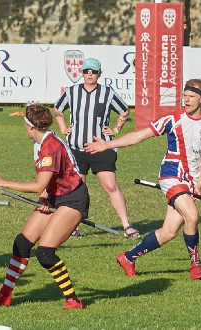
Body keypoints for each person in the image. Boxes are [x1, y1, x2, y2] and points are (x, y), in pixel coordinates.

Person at [85, 79, 201, 280]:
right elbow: (138, 136)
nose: (186, 100)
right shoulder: (173, 119)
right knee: (192, 216)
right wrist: (107, 145)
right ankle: (196, 266)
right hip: (171, 175)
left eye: (191, 97)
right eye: (184, 96)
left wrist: (198, 185)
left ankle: (128, 257)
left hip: (190, 181)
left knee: (169, 232)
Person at [0, 104, 88, 310]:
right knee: (21, 244)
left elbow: (39, 183)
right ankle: (4, 295)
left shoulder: (50, 147)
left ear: (30, 126)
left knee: (45, 253)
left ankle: (73, 300)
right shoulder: (40, 142)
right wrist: (44, 198)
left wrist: (5, 183)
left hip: (73, 199)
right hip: (56, 196)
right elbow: (47, 183)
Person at [54, 58, 137, 239]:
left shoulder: (107, 93)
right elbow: (58, 109)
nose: (89, 74)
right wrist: (63, 128)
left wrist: (115, 129)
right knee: (78, 188)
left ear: (99, 73)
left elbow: (124, 110)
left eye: (93, 71)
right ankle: (74, 226)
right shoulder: (72, 91)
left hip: (102, 147)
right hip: (76, 148)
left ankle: (127, 225)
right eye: (86, 71)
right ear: (82, 73)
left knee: (110, 185)